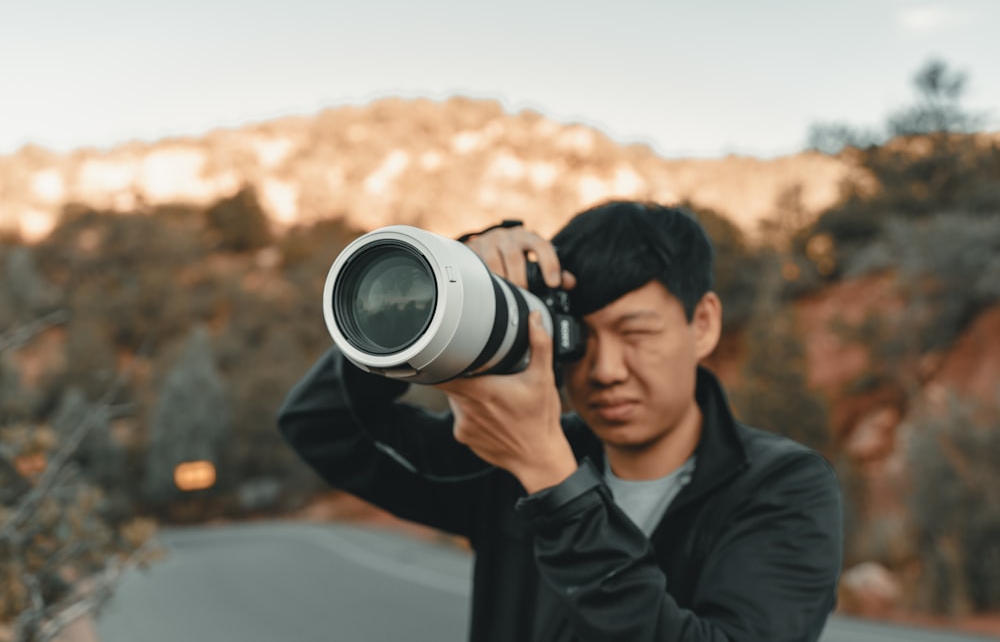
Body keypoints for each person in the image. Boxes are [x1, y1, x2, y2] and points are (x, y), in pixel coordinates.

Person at [277, 199, 843, 642]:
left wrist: (550, 478)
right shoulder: (506, 459)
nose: (605, 370)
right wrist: (450, 287)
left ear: (703, 325)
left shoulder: (782, 486)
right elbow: (320, 424)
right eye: (580, 339)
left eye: (637, 333)